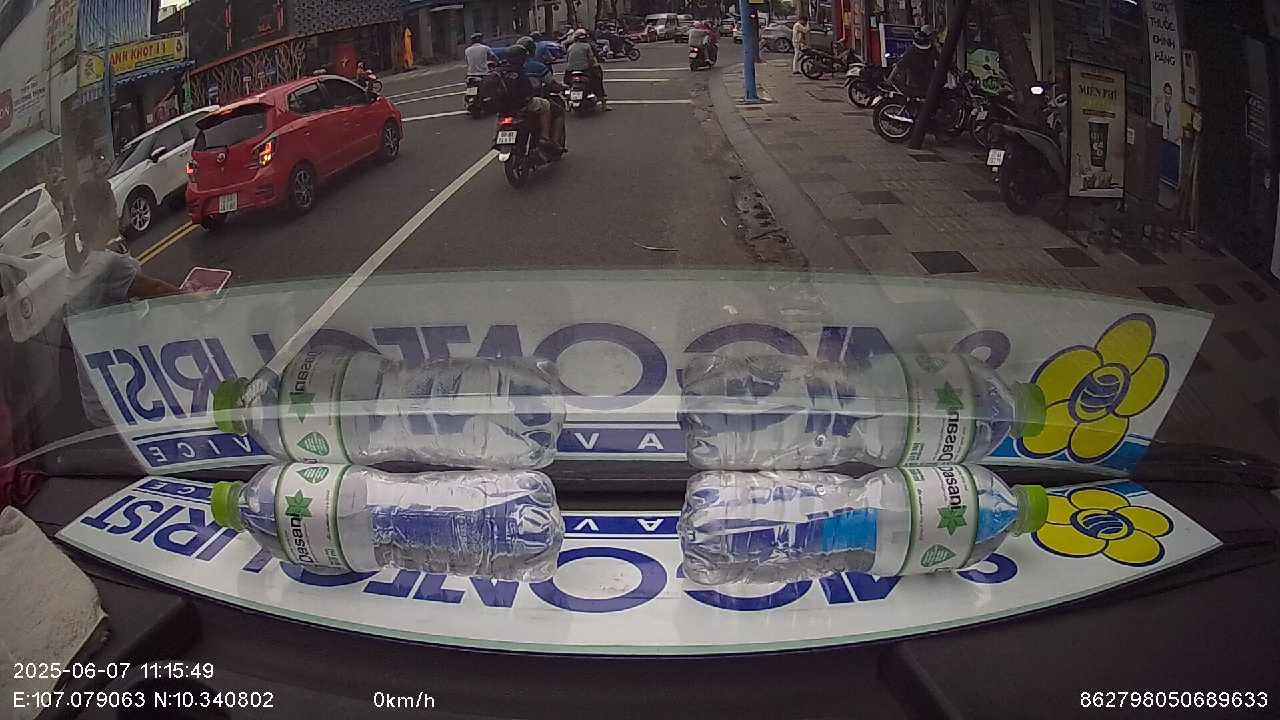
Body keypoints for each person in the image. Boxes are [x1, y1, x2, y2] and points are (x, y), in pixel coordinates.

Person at [494, 40, 564, 154]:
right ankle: (545, 138)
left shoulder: (501, 70)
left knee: (502, 114)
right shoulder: (533, 67)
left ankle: (496, 138)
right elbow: (550, 84)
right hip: (524, 104)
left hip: (506, 105)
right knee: (549, 107)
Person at [564, 29, 610, 110]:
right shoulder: (587, 46)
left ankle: (567, 104)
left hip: (571, 70)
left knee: (567, 84)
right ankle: (603, 104)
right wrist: (595, 64)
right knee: (598, 82)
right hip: (584, 69)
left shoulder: (570, 47)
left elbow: (567, 59)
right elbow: (591, 59)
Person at [887, 27, 938, 97]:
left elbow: (941, 59)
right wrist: (889, 80)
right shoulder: (910, 53)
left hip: (929, 83)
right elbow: (898, 67)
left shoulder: (932, 49)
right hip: (914, 87)